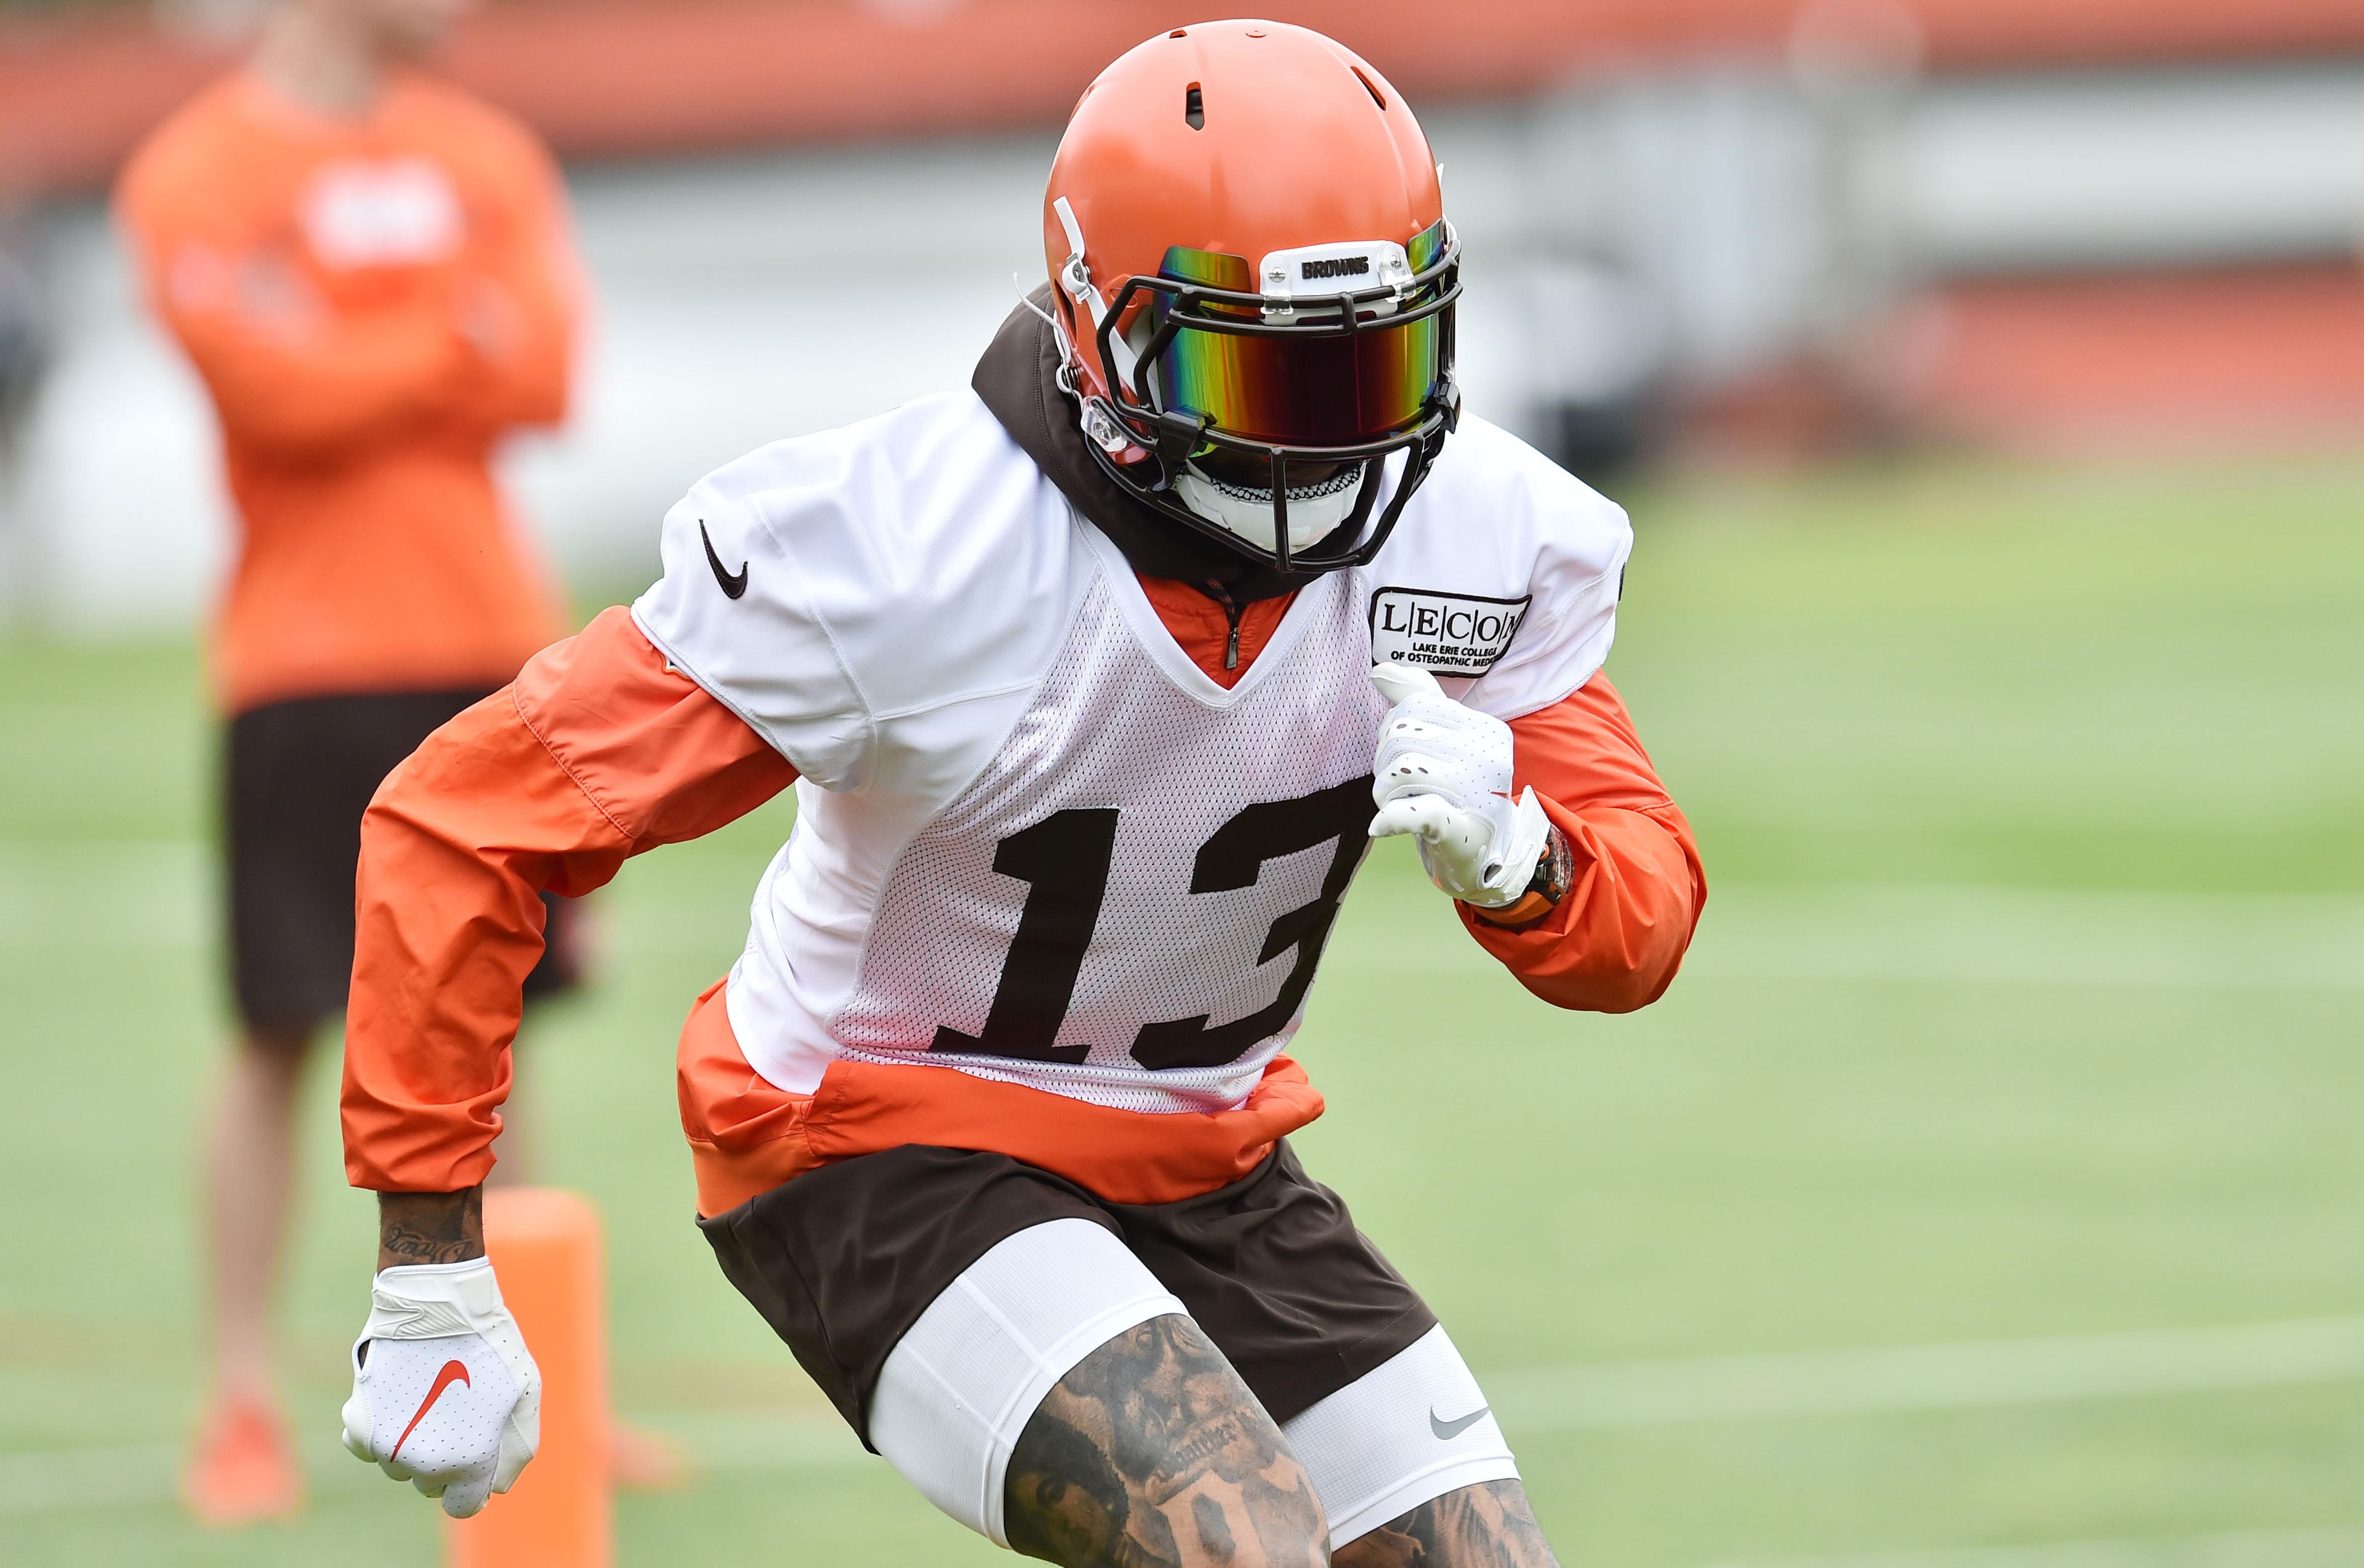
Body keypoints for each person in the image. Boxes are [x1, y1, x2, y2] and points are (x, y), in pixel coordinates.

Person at [336, 21, 1705, 1565]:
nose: (1321, 439)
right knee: (1236, 1538)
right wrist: (429, 1256)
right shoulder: (914, 548)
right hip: (874, 1140)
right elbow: (470, 817)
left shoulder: (1473, 533)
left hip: (1205, 1149)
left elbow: (1638, 924)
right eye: (1256, 368)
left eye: (1367, 365)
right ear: (1103, 330)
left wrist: (1521, 852)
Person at [115, 0, 592, 1524]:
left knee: (500, 1011)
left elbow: (547, 374)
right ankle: (238, 1395)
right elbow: (272, 395)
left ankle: (542, 1380)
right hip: (305, 659)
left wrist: (361, 346)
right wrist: (449, 339)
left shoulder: (489, 152)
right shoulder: (194, 168)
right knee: (277, 1022)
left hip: (485, 641)